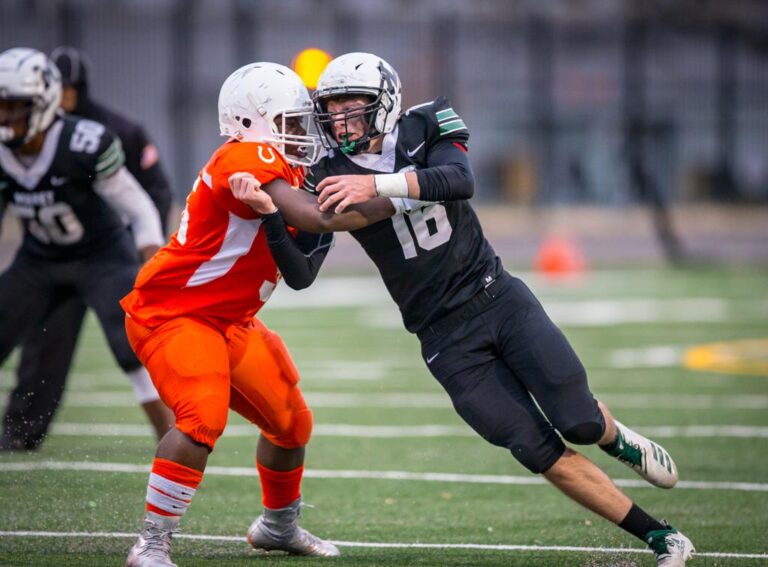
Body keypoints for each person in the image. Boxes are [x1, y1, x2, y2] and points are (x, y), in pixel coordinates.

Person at [231, 52, 695, 567]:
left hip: (498, 297)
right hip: (443, 338)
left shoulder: (425, 123)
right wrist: (272, 216)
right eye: (332, 106)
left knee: (580, 423)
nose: (341, 118)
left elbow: (459, 179)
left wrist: (378, 186)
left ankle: (617, 438)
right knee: (535, 449)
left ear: (383, 104)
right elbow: (300, 274)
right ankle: (663, 537)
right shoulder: (325, 173)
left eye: (352, 106)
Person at [120, 62, 395, 566]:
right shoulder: (244, 157)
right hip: (174, 312)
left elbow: (303, 270)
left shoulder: (288, 169)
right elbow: (317, 216)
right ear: (252, 122)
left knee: (291, 422)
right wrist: (402, 193)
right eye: (290, 122)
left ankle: (277, 527)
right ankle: (151, 544)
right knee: (201, 418)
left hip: (229, 319)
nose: (302, 132)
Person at [0, 46, 174, 451]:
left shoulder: (83, 140)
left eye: (15, 106)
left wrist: (151, 264)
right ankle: (20, 435)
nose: (6, 116)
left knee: (131, 344)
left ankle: (174, 443)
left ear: (43, 104)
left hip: (101, 255)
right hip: (40, 258)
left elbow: (140, 206)